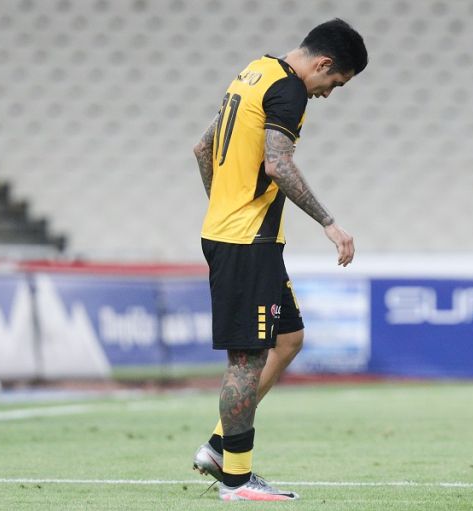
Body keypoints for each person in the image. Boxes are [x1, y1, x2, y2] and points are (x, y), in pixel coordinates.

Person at [190, 18, 368, 501]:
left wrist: (223, 205)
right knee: (247, 359)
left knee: (288, 339)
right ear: (324, 64)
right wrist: (329, 223)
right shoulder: (289, 89)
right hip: (247, 241)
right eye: (336, 83)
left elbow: (203, 147)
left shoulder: (254, 73)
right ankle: (237, 479)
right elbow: (278, 163)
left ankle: (219, 446)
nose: (329, 93)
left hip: (239, 235)